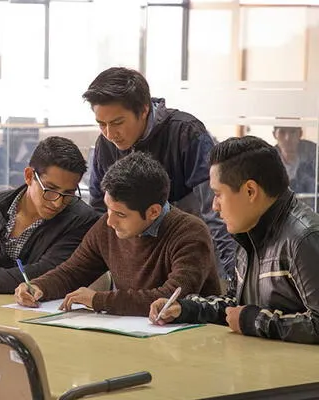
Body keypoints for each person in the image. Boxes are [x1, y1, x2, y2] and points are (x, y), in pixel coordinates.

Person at [150, 136, 319, 345]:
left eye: (218, 194)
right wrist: (186, 308)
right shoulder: (250, 230)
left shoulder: (303, 238)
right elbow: (236, 307)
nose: (214, 206)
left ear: (250, 191)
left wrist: (253, 321)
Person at [14, 152, 220, 315]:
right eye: (108, 208)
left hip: (188, 343)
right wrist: (37, 286)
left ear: (153, 212)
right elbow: (73, 271)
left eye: (120, 214)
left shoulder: (190, 233)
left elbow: (170, 298)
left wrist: (99, 300)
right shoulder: (107, 225)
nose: (110, 221)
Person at [83, 67, 236, 282]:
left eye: (117, 123)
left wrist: (231, 277)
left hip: (188, 256)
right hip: (136, 261)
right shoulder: (105, 145)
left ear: (144, 109)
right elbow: (100, 209)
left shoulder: (186, 133)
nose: (109, 133)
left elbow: (217, 212)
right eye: (101, 124)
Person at [0, 136, 99, 293]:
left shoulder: (82, 220)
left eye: (69, 193)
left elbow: (46, 274)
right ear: (29, 176)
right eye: (50, 189)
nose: (57, 202)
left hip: (38, 312)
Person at [273, 126, 317, 194]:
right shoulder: (270, 158)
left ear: (300, 134)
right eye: (282, 132)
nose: (287, 138)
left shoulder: (314, 153)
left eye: (293, 132)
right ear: (274, 135)